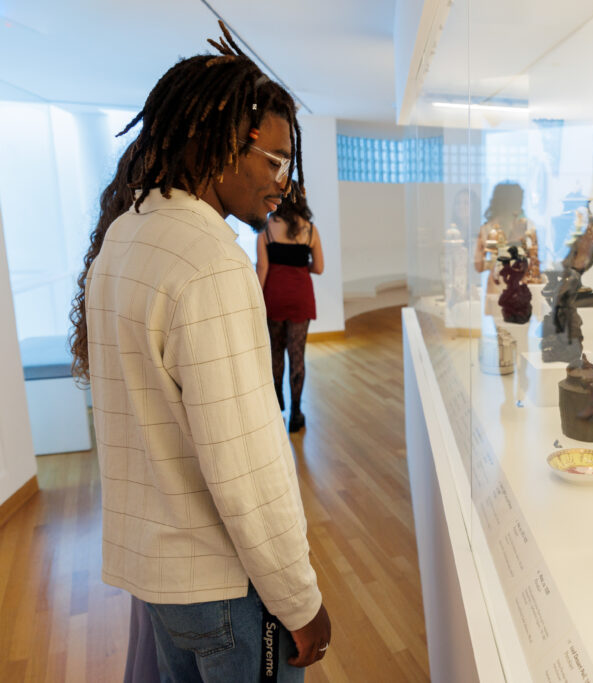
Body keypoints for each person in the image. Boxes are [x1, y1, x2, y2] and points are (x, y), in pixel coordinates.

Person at [68, 22, 331, 681]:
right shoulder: (211, 261)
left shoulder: (123, 239)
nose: (281, 181)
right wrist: (301, 600)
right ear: (215, 144)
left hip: (159, 582)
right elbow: (244, 463)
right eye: (271, 159)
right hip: (223, 591)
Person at [256, 192, 324, 433]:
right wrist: (299, 265)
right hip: (300, 296)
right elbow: (319, 267)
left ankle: (277, 408)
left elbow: (262, 269)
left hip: (274, 296)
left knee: (275, 352)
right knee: (297, 354)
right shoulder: (310, 229)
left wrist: (256, 302)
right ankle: (296, 413)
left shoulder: (267, 228)